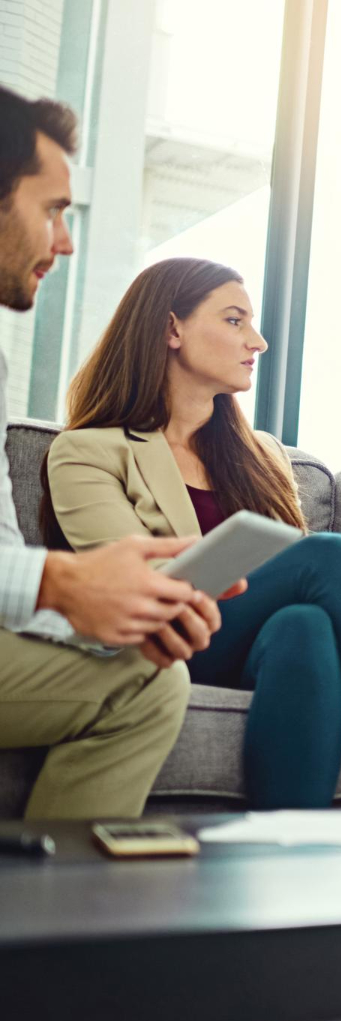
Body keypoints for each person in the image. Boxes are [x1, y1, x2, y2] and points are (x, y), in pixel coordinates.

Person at [45, 256, 341, 815]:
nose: (258, 341)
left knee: (305, 624)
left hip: (248, 645)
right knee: (328, 555)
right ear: (172, 328)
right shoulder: (88, 451)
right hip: (157, 644)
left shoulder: (261, 456)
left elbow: (289, 583)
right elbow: (130, 588)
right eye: (234, 320)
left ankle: (287, 838)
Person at [0, 86, 205, 821]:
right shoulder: (92, 449)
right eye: (53, 209)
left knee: (150, 677)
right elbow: (39, 577)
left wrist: (93, 617)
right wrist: (61, 582)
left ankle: (52, 889)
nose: (64, 242)